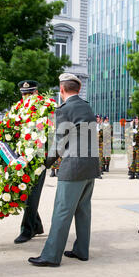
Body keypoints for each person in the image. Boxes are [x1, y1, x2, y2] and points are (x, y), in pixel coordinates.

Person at [28, 73, 100, 267]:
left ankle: (51, 256)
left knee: (62, 211)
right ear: (78, 89)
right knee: (83, 211)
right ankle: (81, 250)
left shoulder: (65, 109)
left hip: (73, 168)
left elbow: (59, 142)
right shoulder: (86, 106)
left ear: (61, 90)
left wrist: (45, 163)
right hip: (90, 167)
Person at [14, 80, 46, 244]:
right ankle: (37, 225)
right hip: (21, 158)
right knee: (25, 194)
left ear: (36, 93)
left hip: (38, 158)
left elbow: (51, 132)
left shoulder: (45, 109)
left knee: (31, 195)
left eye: (29, 93)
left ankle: (27, 230)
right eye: (23, 94)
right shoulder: (18, 109)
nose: (26, 97)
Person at [96, 114, 103, 179]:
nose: (97, 119)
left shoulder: (102, 126)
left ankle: (99, 173)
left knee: (99, 159)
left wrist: (100, 131)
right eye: (96, 118)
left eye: (98, 118)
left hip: (100, 145)